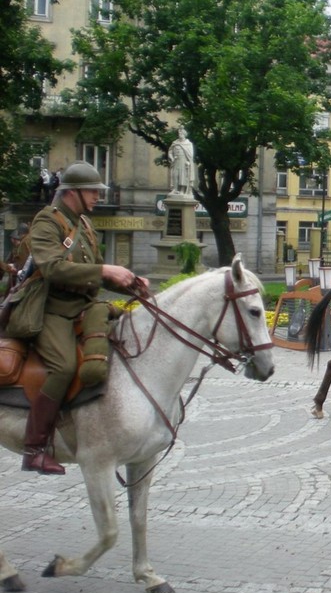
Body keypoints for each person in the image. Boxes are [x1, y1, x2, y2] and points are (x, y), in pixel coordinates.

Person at [22, 161, 148, 475]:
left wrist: (128, 282)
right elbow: (52, 267)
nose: (97, 197)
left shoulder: (86, 225)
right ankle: (35, 448)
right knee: (64, 367)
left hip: (84, 307)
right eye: (92, 191)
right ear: (73, 193)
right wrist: (105, 270)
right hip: (51, 309)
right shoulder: (47, 222)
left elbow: (95, 275)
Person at [168, 126, 196, 196]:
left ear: (184, 134)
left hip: (184, 162)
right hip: (176, 162)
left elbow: (190, 155)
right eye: (178, 133)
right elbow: (170, 151)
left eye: (181, 134)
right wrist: (171, 158)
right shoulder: (175, 143)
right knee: (175, 175)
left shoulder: (188, 144)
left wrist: (188, 162)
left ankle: (182, 190)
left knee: (183, 176)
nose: (179, 135)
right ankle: (175, 189)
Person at [4, 223, 31, 291]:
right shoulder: (28, 239)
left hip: (23, 273)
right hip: (20, 272)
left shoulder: (24, 242)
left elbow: (26, 260)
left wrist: (15, 267)